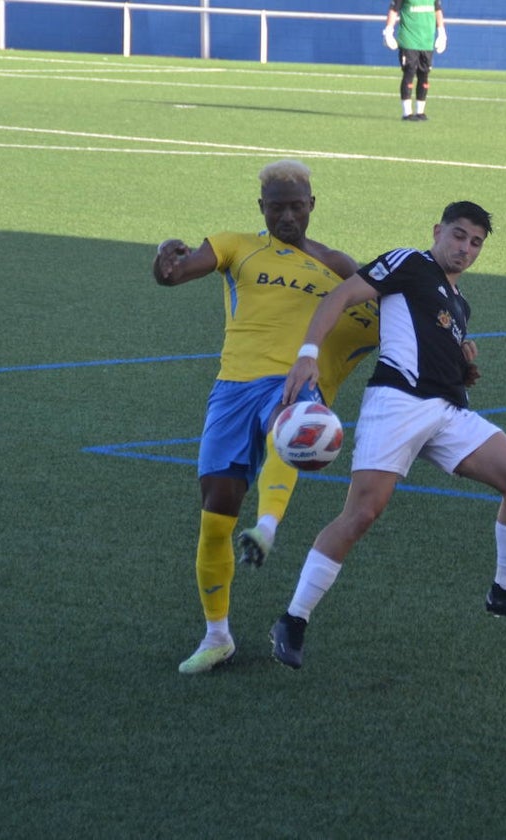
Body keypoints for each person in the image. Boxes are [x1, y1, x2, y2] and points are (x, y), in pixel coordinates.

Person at [269, 200, 506, 671]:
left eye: (476, 243)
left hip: (448, 410)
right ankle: (293, 619)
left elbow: (431, 337)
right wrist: (307, 354)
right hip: (397, 403)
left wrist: (463, 362)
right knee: (361, 515)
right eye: (458, 235)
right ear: (438, 230)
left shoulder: (460, 303)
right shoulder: (408, 262)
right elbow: (339, 296)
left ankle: (504, 591)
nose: (465, 248)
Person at [153, 159, 379, 675]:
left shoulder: (340, 265)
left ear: (312, 206)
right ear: (262, 208)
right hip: (231, 389)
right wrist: (165, 261)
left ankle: (268, 526)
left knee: (293, 423)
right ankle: (217, 637)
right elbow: (176, 273)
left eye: (296, 207)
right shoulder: (236, 245)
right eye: (276, 207)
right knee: (215, 513)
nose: (287, 216)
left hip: (295, 379)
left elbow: (389, 311)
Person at [382, 0, 447, 121]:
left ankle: (420, 112)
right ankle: (407, 113)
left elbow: (437, 10)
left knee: (424, 74)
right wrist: (388, 31)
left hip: (427, 40)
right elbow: (394, 9)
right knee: (409, 72)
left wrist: (442, 32)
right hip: (409, 39)